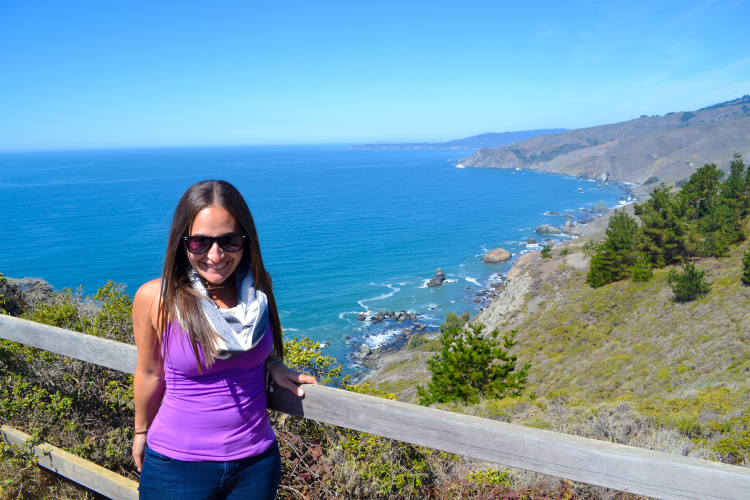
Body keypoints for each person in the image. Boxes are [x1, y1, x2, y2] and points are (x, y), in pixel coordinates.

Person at [131, 180, 317, 500]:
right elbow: (150, 372)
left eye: (229, 241)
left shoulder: (259, 287)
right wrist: (140, 431)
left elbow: (257, 342)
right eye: (199, 243)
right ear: (182, 243)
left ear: (245, 240)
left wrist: (272, 362)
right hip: (177, 466)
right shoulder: (156, 298)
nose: (215, 255)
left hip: (256, 464)